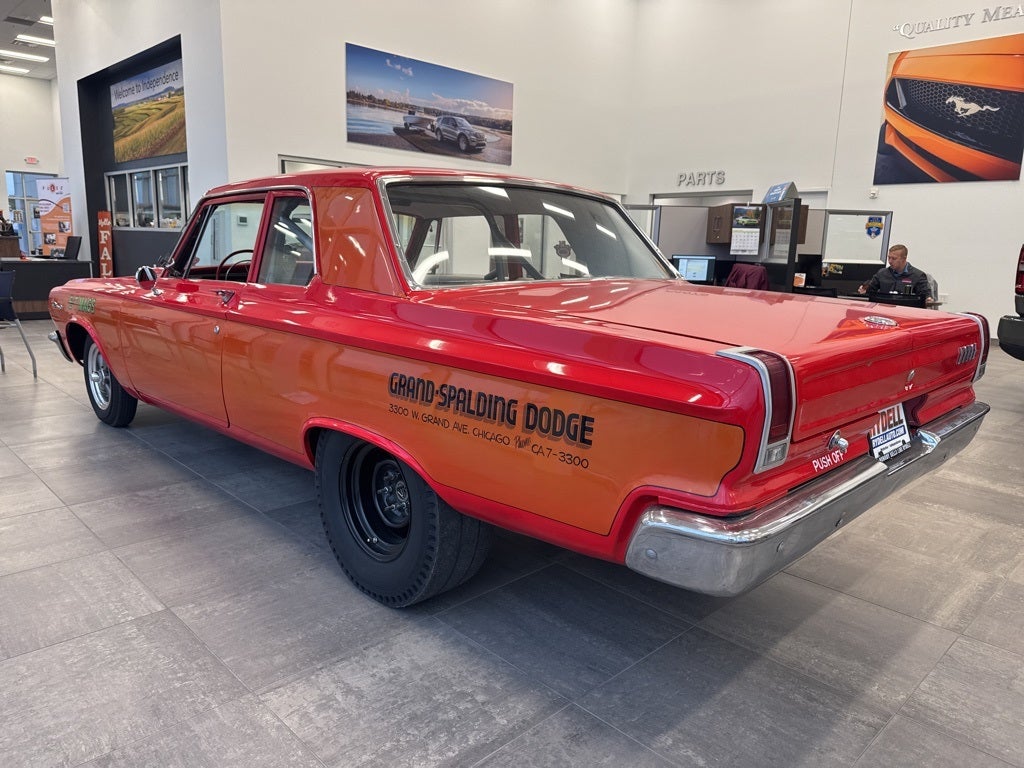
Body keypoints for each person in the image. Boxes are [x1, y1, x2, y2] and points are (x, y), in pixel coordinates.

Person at [857, 243, 932, 303]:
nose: (890, 261)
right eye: (889, 257)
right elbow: (870, 290)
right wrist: (864, 289)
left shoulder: (918, 276)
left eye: (894, 258)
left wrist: (928, 298)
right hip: (883, 310)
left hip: (906, 312)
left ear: (904, 258)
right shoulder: (882, 273)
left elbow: (925, 297)